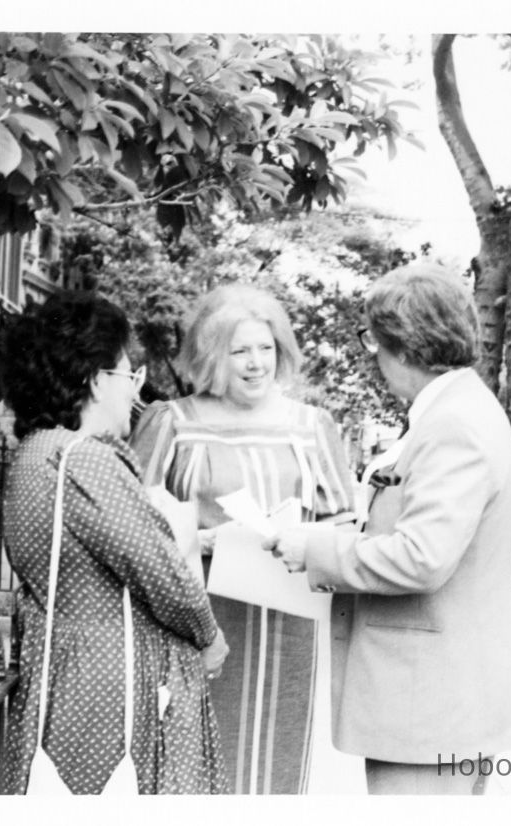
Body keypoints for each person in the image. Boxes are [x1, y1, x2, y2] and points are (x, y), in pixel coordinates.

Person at [265, 263, 511, 795]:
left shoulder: (453, 424)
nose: (374, 357)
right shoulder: (456, 410)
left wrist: (315, 548)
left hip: (429, 701)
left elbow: (422, 557)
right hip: (442, 696)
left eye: (374, 341)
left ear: (406, 348)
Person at [0, 291, 229, 794]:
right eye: (130, 376)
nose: (135, 393)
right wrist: (209, 636)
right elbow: (159, 567)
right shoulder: (87, 459)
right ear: (97, 381)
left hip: (61, 662)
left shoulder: (36, 454)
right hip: (108, 681)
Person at [131, 284, 356, 794]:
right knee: (188, 761)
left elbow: (343, 522)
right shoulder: (173, 422)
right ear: (212, 356)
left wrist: (304, 536)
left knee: (275, 766)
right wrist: (200, 540)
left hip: (287, 626)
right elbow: (131, 520)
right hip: (194, 620)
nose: (256, 364)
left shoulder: (311, 427)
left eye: (265, 349)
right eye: (239, 351)